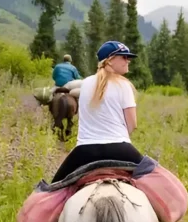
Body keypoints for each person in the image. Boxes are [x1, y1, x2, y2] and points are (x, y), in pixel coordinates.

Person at [51, 41, 143, 183]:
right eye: (124, 57)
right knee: (164, 184)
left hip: (85, 151)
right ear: (110, 61)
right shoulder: (124, 85)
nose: (128, 60)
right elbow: (132, 125)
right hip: (120, 149)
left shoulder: (86, 83)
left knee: (52, 189)